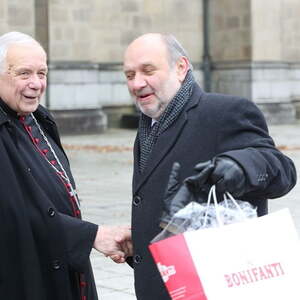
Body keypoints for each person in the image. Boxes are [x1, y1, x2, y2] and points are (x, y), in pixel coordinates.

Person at [123, 33, 297, 300]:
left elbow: (282, 170)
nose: (137, 83)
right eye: (129, 75)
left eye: (148, 70)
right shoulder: (151, 121)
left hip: (215, 283)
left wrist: (239, 165)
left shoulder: (224, 111)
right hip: (164, 282)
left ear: (180, 67)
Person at [0, 31, 132, 300]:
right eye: (24, 73)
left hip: (60, 263)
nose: (36, 84)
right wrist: (90, 236)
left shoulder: (39, 118)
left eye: (42, 73)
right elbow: (11, 216)